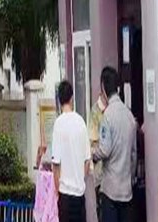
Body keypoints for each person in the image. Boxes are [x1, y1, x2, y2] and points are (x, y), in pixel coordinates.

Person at [92, 67, 138, 222]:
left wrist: (93, 154)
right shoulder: (129, 115)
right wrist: (130, 178)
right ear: (117, 87)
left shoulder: (108, 115)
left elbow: (104, 150)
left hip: (110, 191)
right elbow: (133, 154)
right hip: (126, 191)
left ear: (103, 87)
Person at [50, 80, 89, 222]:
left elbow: (56, 164)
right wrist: (80, 179)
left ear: (59, 100)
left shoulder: (58, 124)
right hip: (80, 195)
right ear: (72, 98)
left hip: (65, 195)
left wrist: (57, 191)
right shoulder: (81, 122)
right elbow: (87, 160)